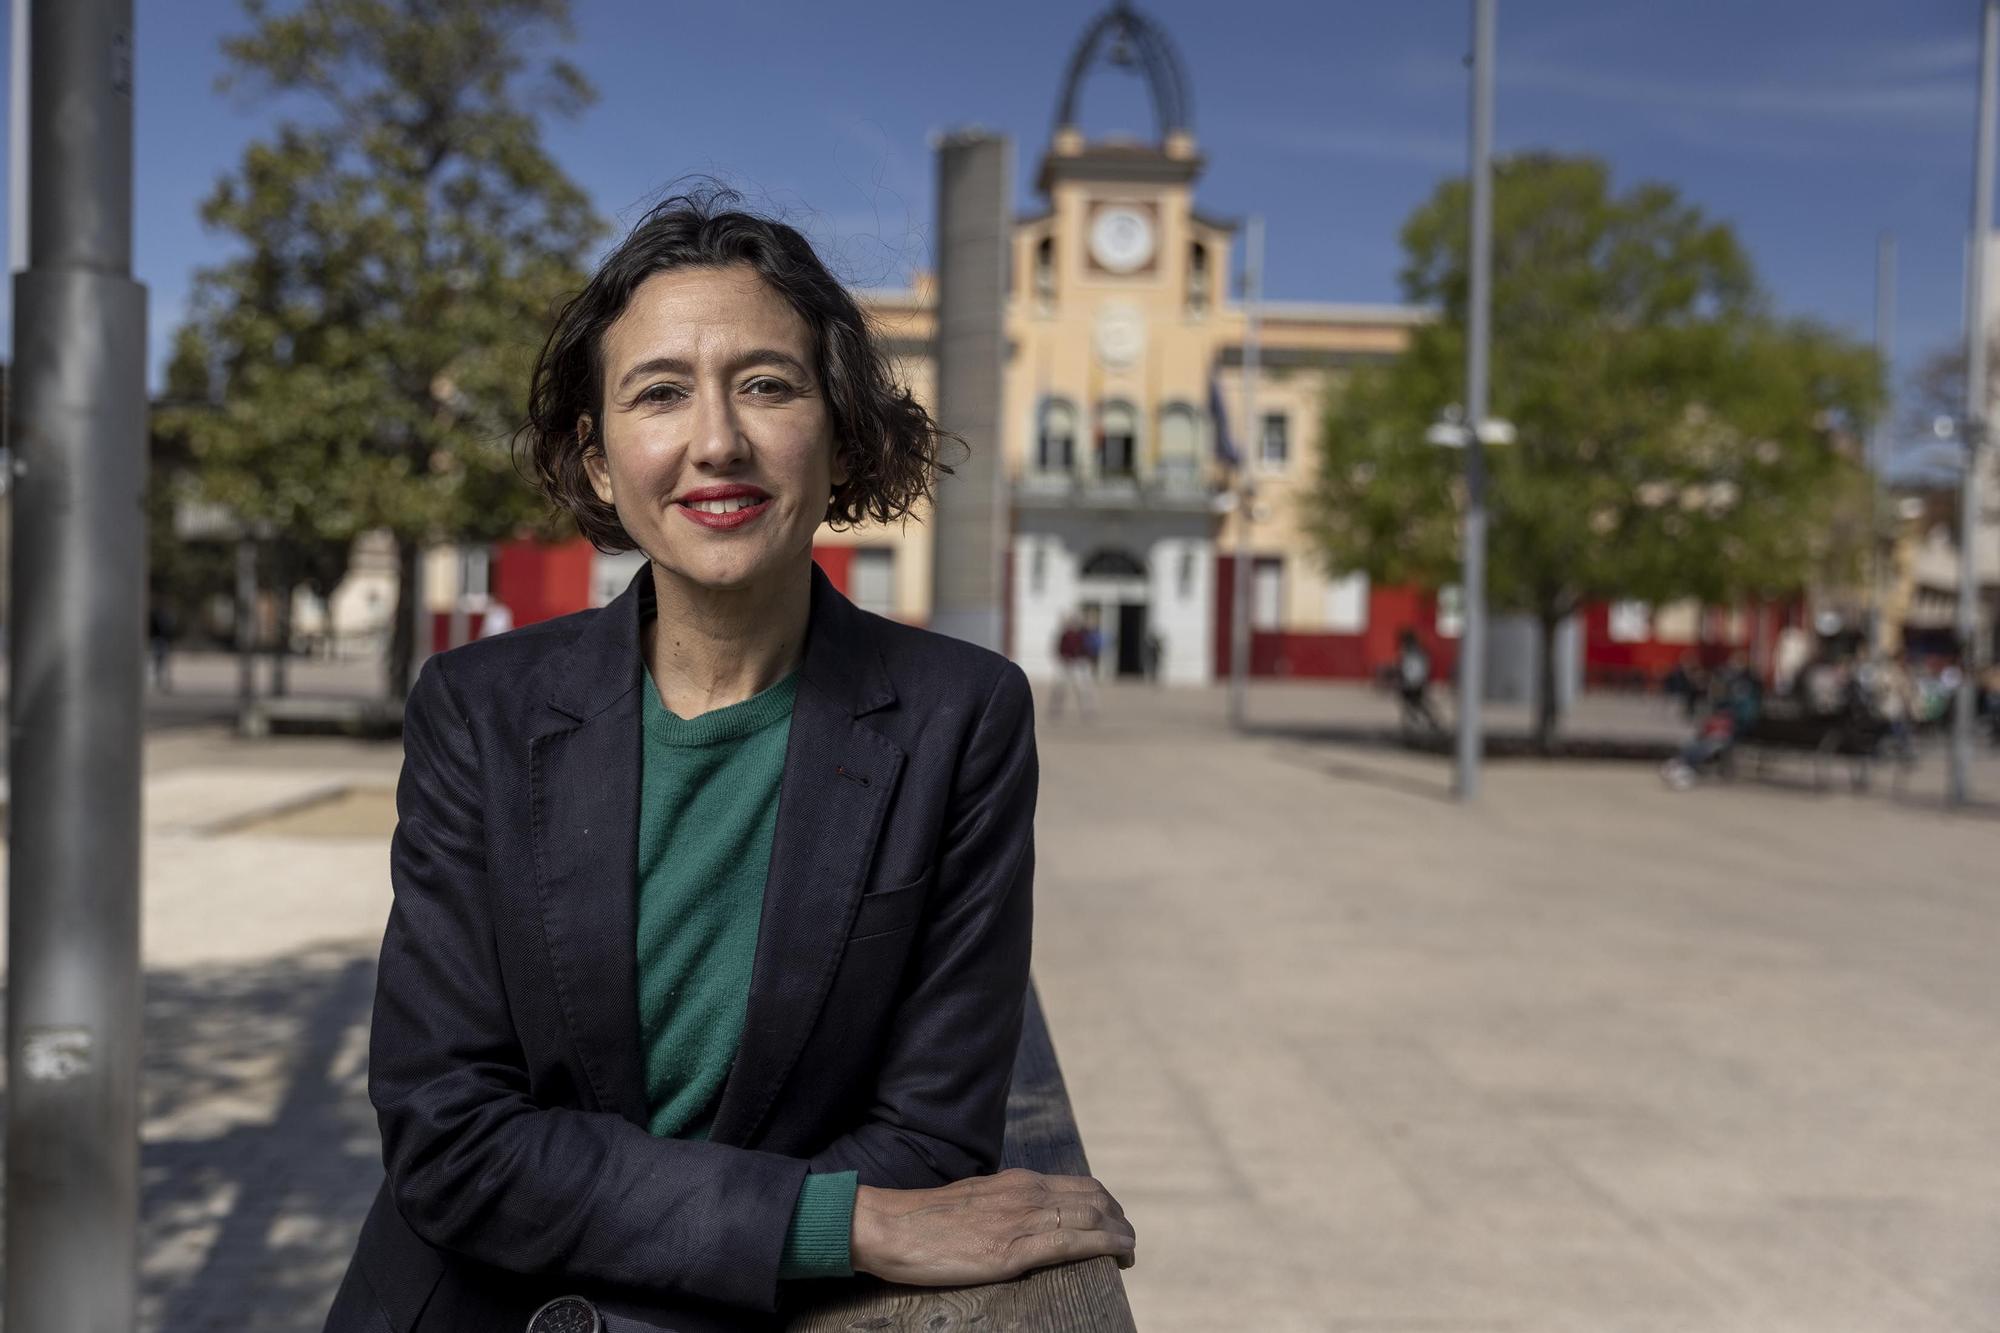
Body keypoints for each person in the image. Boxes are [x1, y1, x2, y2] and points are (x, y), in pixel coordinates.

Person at [324, 192, 1134, 1333]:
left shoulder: (961, 718)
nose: (717, 439)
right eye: (659, 392)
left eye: (766, 383)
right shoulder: (479, 712)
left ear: (841, 431)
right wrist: (826, 1226)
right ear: (597, 461)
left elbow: (932, 1130)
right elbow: (450, 1139)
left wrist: (655, 1230)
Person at [1661, 655, 1762, 790]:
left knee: (1712, 742)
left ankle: (1684, 765)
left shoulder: (1745, 690)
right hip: (1725, 725)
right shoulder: (1735, 690)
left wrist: (1729, 720)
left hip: (1734, 728)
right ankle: (1682, 762)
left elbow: (1745, 716)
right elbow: (1724, 707)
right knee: (1701, 739)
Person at [1394, 628, 1441, 735]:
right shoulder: (1415, 651)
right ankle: (1417, 724)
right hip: (1412, 682)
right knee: (1415, 704)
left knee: (1416, 704)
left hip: (1413, 682)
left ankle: (1421, 723)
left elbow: (1411, 667)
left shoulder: (1413, 652)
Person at [1049, 613, 1095, 719]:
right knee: (1059, 688)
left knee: (1083, 689)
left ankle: (1087, 711)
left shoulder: (1082, 635)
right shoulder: (1065, 635)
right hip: (1066, 664)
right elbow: (1059, 649)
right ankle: (1055, 710)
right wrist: (1064, 658)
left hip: (1078, 664)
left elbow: (1086, 649)